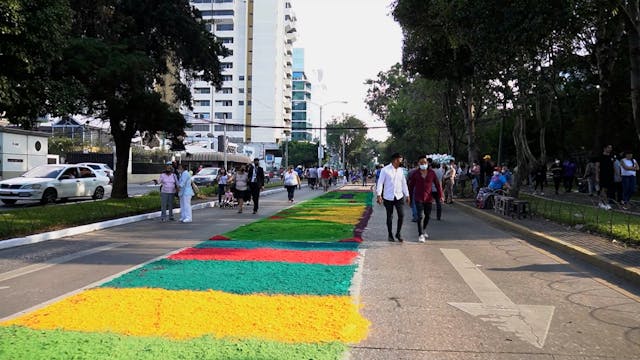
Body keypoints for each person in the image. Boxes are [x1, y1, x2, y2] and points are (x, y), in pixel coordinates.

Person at [376, 153, 410, 242]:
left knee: (401, 215)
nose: (401, 162)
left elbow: (404, 183)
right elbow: (380, 183)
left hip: (399, 196)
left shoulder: (401, 170)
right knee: (389, 216)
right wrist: (379, 195)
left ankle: (398, 233)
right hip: (388, 197)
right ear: (395, 160)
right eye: (400, 160)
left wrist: (407, 195)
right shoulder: (385, 170)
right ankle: (390, 234)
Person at [408, 156, 443, 242]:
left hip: (428, 198)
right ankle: (420, 234)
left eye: (425, 163)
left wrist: (441, 195)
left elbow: (437, 185)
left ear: (427, 163)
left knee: (428, 215)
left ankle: (424, 229)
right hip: (418, 197)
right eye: (421, 163)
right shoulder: (415, 174)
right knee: (420, 216)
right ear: (418, 164)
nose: (423, 164)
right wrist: (408, 197)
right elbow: (411, 186)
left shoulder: (432, 173)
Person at [596, 144, 615, 210]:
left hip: (610, 175)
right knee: (603, 189)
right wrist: (597, 176)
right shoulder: (600, 156)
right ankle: (606, 204)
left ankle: (600, 203)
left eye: (611, 148)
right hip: (603, 175)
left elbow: (612, 167)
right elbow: (597, 167)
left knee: (605, 190)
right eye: (609, 147)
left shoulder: (611, 157)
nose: (610, 149)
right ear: (604, 148)